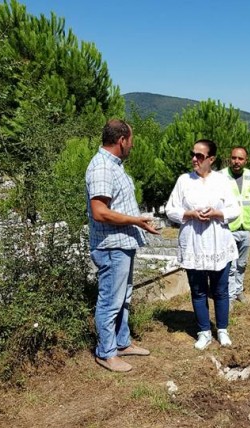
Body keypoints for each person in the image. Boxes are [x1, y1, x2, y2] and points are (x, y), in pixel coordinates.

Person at [86, 119, 159, 373]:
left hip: (122, 243)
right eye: (132, 141)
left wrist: (138, 224)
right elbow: (99, 212)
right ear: (121, 141)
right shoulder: (102, 168)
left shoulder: (114, 166)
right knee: (110, 300)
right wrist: (135, 220)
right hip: (110, 246)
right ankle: (106, 353)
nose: (133, 146)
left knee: (123, 297)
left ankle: (122, 343)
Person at [165, 139, 240, 350]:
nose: (194, 159)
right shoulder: (184, 181)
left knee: (220, 290)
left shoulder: (222, 181)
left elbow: (235, 210)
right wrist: (189, 214)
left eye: (200, 156)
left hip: (218, 242)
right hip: (194, 243)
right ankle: (204, 331)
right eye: (193, 154)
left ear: (211, 159)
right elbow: (170, 209)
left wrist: (217, 213)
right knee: (198, 290)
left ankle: (222, 330)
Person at [221, 146, 250, 305]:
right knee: (230, 266)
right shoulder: (221, 176)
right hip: (228, 229)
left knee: (242, 264)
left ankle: (239, 290)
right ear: (229, 158)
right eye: (234, 158)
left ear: (246, 160)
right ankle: (230, 297)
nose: (236, 161)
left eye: (240, 159)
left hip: (245, 227)